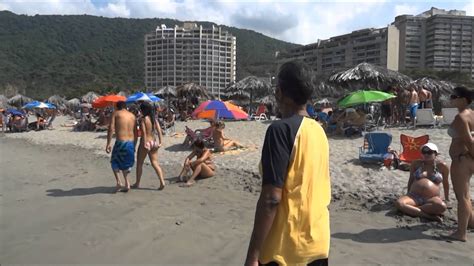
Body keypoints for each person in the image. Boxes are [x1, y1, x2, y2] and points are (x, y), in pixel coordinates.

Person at [245, 61, 330, 266]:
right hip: (317, 244)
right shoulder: (319, 131)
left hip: (285, 251)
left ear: (279, 92)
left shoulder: (280, 130)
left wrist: (252, 256)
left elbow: (271, 199)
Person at [446, 86, 474, 242]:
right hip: (467, 159)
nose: (451, 99)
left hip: (461, 159)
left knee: (462, 197)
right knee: (466, 196)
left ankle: (461, 233)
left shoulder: (461, 118)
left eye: (454, 96)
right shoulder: (472, 115)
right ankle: (468, 223)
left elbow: (468, 141)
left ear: (463, 99)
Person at [395, 143, 449, 222]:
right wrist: (407, 193)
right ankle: (428, 216)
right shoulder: (416, 163)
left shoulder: (442, 166)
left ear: (436, 153)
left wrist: (447, 199)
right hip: (414, 196)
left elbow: (446, 183)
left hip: (431, 198)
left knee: (442, 207)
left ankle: (411, 210)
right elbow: (411, 179)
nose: (426, 154)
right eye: (424, 152)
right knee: (399, 203)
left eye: (429, 152)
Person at [132, 102, 165, 190]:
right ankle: (162, 181)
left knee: (139, 163)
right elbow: (159, 130)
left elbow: (143, 132)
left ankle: (137, 183)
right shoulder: (154, 119)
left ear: (143, 110)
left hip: (146, 142)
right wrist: (160, 142)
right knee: (155, 163)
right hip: (154, 142)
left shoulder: (143, 119)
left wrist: (144, 144)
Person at [106, 101, 137, 192]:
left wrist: (108, 143)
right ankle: (127, 183)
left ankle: (119, 182)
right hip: (130, 143)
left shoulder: (116, 114)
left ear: (117, 107)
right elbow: (136, 132)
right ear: (125, 107)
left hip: (121, 142)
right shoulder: (132, 116)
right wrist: (134, 145)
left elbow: (111, 128)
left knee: (114, 162)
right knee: (125, 164)